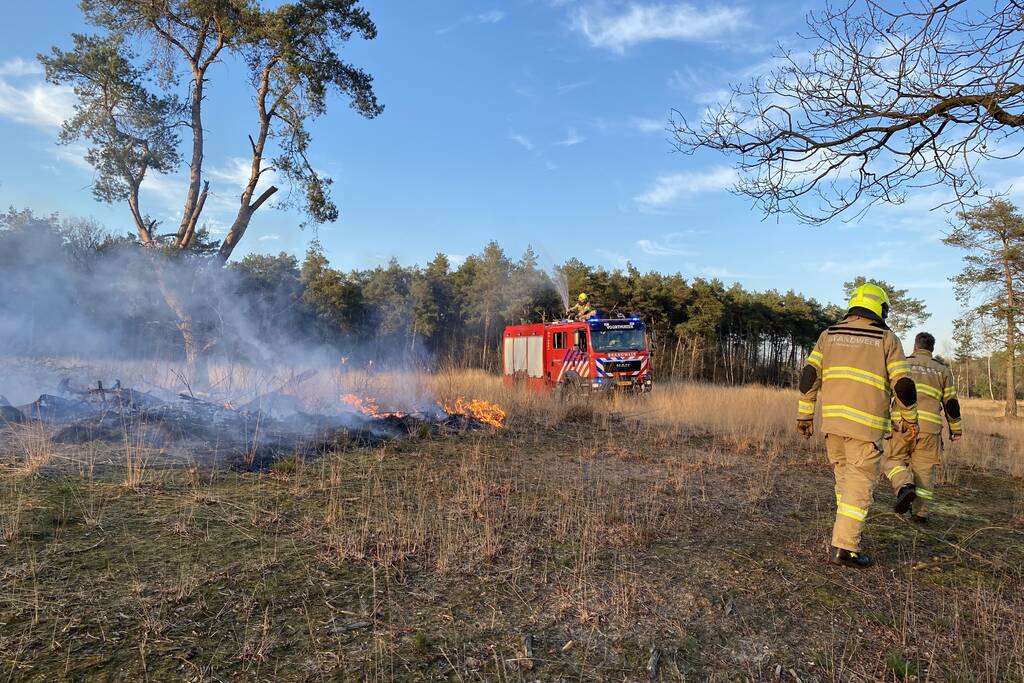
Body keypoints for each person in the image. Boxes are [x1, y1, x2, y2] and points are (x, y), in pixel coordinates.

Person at [796, 282, 919, 568]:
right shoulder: (887, 339)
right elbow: (903, 385)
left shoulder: (829, 335)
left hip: (834, 426)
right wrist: (910, 420)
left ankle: (844, 528)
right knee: (858, 488)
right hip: (865, 429)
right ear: (880, 308)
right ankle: (845, 548)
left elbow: (809, 376)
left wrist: (804, 415)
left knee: (844, 481)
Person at [881, 332, 962, 524]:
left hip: (901, 424)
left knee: (893, 461)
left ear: (915, 347)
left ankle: (904, 486)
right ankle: (921, 514)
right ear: (931, 350)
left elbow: (885, 392)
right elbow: (951, 403)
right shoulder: (942, 370)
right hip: (930, 429)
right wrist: (955, 429)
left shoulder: (902, 363)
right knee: (924, 470)